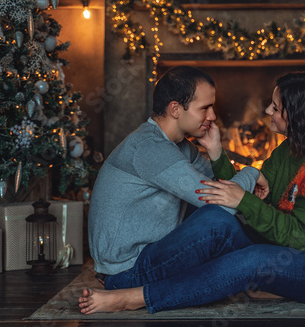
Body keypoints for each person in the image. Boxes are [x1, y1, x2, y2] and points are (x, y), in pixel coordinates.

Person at [80, 70, 305, 314]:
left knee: (253, 260)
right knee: (224, 226)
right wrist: (218, 154)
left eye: (276, 106)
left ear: (298, 116)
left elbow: (299, 237)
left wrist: (244, 191)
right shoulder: (289, 151)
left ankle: (137, 298)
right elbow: (232, 198)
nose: (268, 109)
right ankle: (265, 279)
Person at [79, 66, 261, 314]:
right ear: (175, 109)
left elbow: (224, 189)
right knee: (217, 222)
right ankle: (263, 272)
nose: (213, 116)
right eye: (205, 108)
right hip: (126, 273)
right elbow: (221, 204)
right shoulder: (150, 147)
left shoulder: (181, 147)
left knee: (225, 235)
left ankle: (259, 270)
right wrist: (253, 173)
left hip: (151, 258)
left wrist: (216, 149)